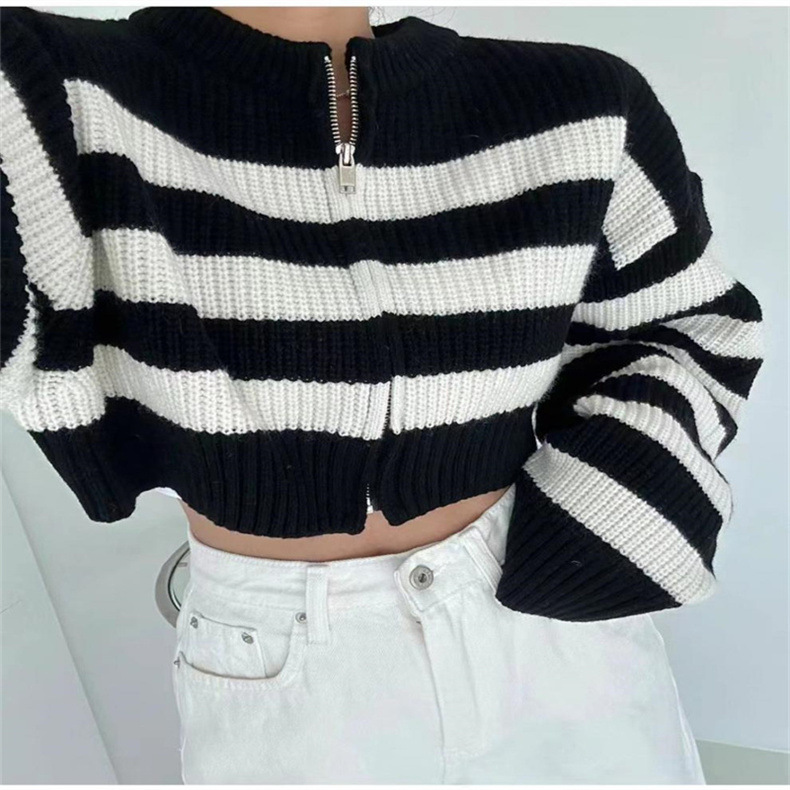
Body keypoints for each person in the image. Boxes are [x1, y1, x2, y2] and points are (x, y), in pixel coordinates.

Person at [0, 5, 765, 784]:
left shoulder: (581, 103)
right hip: (284, 681)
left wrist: (598, 527)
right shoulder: (54, 94)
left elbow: (688, 325)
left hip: (554, 641)